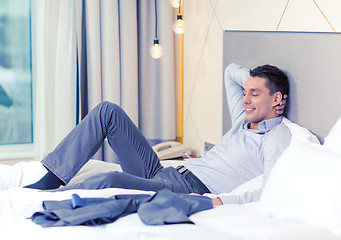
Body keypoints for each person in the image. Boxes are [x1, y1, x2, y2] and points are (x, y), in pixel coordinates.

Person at [25, 63, 290, 206]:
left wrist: (220, 201)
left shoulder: (276, 138)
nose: (245, 99)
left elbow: (270, 188)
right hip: (165, 170)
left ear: (277, 99)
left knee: (109, 178)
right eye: (245, 92)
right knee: (108, 111)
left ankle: (42, 202)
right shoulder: (242, 119)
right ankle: (51, 180)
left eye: (254, 94)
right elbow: (230, 71)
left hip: (184, 188)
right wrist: (257, 81)